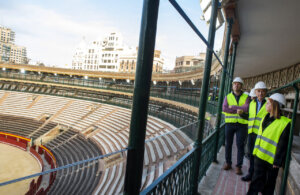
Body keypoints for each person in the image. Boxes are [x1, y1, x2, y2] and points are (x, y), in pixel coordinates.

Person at [247, 93, 291, 195]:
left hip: (272, 162)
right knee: (255, 182)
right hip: (259, 156)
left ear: (274, 105)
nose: (266, 105)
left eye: (268, 103)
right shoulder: (264, 118)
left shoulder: (284, 123)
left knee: (269, 186)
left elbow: (282, 143)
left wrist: (278, 161)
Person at [241, 81, 268, 182]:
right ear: (255, 92)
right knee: (252, 155)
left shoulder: (268, 104)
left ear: (265, 93)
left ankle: (258, 177)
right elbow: (250, 117)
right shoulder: (252, 104)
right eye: (258, 91)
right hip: (251, 133)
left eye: (262, 91)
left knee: (259, 157)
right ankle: (250, 174)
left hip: (262, 135)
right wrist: (241, 115)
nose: (260, 93)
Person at [222, 77, 250, 175]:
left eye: (238, 84)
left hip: (241, 124)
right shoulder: (227, 96)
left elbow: (246, 108)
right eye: (235, 84)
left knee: (240, 145)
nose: (236, 85)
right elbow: (225, 108)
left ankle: (238, 166)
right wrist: (238, 109)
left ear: (241, 86)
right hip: (229, 123)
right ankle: (228, 163)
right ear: (232, 85)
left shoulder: (246, 97)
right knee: (228, 144)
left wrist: (232, 107)